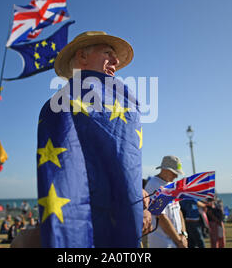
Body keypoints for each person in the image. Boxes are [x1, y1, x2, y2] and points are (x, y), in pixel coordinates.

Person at [35, 31, 149, 247]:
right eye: (108, 53)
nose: (115, 61)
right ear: (82, 56)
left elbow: (123, 160)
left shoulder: (125, 100)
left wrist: (136, 191)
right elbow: (65, 179)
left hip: (126, 215)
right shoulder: (61, 104)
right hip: (89, 226)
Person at [145, 156, 188, 248]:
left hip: (176, 240)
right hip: (163, 242)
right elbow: (161, 217)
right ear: (165, 170)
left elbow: (179, 211)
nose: (176, 176)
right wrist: (179, 241)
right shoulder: (154, 185)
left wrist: (184, 234)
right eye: (174, 173)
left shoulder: (171, 185)